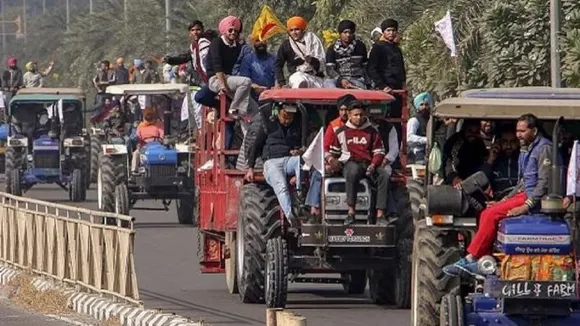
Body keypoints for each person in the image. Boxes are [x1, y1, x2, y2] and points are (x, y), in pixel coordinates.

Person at [444, 114, 554, 276]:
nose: (519, 135)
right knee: (487, 211)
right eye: (517, 131)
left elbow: (544, 183)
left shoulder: (544, 148)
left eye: (522, 131)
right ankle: (485, 261)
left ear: (534, 130)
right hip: (523, 193)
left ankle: (471, 259)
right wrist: (503, 201)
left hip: (534, 198)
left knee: (490, 214)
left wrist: (526, 206)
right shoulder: (527, 149)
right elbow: (523, 183)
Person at [325, 98, 390, 226]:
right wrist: (332, 161)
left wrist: (373, 165)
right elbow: (334, 152)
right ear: (349, 115)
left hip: (369, 164)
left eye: (361, 114)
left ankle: (380, 215)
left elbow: (379, 151)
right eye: (355, 115)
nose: (358, 118)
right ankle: (351, 213)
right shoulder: (341, 132)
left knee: (384, 175)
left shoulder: (372, 131)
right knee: (352, 171)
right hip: (350, 163)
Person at [245, 105, 302, 225]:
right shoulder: (268, 126)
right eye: (285, 117)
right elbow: (255, 146)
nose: (287, 121)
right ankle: (290, 215)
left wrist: (298, 151)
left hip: (289, 159)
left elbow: (301, 145)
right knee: (281, 186)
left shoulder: (296, 127)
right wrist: (250, 168)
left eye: (290, 118)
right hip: (272, 162)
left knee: (300, 161)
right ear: (278, 113)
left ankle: (300, 196)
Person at [207, 16, 253, 118]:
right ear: (224, 31)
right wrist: (222, 85)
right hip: (216, 79)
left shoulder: (237, 47)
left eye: (236, 31)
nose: (233, 33)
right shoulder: (217, 42)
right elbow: (217, 64)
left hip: (229, 79)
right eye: (230, 30)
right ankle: (233, 109)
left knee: (252, 109)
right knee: (246, 82)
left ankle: (247, 132)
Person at [275, 16, 326, 89]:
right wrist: (282, 83)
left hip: (316, 78)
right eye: (291, 30)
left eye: (297, 29)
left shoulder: (312, 40)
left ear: (303, 30)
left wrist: (312, 60)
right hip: (299, 77)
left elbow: (321, 63)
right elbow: (278, 65)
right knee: (298, 80)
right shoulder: (286, 45)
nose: (294, 33)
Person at [164, 20, 212, 86]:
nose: (195, 32)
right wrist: (169, 60)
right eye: (193, 30)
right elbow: (184, 58)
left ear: (202, 30)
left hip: (208, 79)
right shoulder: (193, 46)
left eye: (198, 29)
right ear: (190, 33)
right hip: (197, 80)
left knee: (200, 96)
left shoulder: (207, 43)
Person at [443, 119, 488, 186]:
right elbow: (449, 162)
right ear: (464, 129)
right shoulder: (456, 141)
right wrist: (454, 178)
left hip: (475, 180)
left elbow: (484, 158)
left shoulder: (479, 141)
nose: (473, 135)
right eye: (470, 131)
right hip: (457, 181)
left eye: (476, 132)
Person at [325, 20, 368, 89]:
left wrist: (369, 84)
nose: (348, 35)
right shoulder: (332, 49)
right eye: (345, 32)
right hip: (339, 80)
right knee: (328, 83)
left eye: (350, 32)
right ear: (340, 33)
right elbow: (330, 70)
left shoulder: (360, 46)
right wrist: (341, 80)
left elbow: (366, 67)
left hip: (356, 80)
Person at [367, 19, 406, 93]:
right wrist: (382, 86)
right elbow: (371, 69)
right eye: (388, 30)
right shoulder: (378, 47)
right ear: (383, 32)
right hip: (384, 88)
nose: (391, 33)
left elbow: (401, 68)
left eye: (393, 30)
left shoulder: (397, 49)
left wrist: (403, 82)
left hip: (398, 88)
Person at [481, 127, 520, 199]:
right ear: (498, 142)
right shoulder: (492, 160)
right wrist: (490, 160)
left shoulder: (523, 159)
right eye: (505, 142)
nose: (509, 146)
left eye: (512, 141)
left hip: (518, 200)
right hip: (498, 201)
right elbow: (480, 181)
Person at [132, 108, 165, 173]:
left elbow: (162, 134)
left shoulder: (158, 124)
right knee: (136, 153)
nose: (149, 120)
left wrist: (161, 139)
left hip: (157, 144)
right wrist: (138, 142)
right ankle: (134, 170)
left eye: (151, 118)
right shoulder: (141, 125)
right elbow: (138, 136)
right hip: (144, 145)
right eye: (148, 118)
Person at [407, 92, 432, 164]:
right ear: (417, 106)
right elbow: (409, 138)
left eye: (426, 104)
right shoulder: (414, 120)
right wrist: (426, 140)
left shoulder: (431, 120)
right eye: (421, 104)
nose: (424, 107)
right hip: (417, 152)